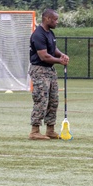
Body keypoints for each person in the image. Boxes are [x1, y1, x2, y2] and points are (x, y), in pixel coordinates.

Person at [28, 8, 69, 140]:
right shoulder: (38, 34)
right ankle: (34, 131)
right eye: (55, 19)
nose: (57, 22)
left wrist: (61, 55)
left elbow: (53, 49)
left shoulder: (49, 33)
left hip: (49, 71)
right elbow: (44, 56)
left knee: (53, 101)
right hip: (39, 70)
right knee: (41, 100)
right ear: (47, 19)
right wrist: (60, 61)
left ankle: (50, 130)